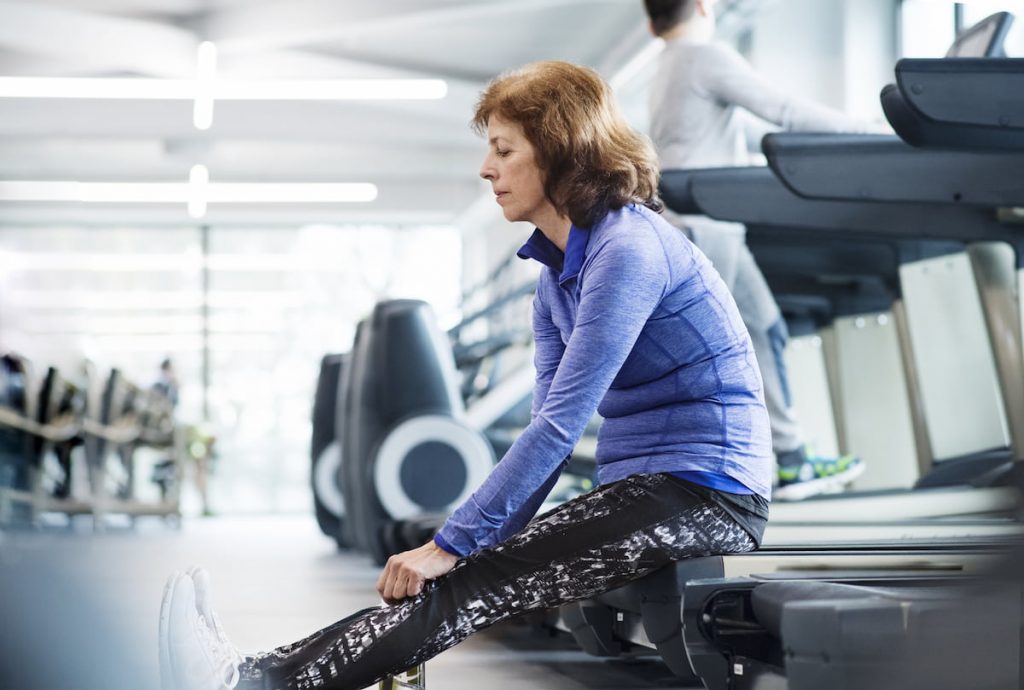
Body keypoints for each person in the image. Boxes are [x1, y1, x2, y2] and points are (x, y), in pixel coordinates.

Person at [159, 60, 772, 690]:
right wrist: (470, 541)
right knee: (470, 568)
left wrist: (453, 544)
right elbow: (545, 428)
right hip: (646, 487)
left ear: (561, 153)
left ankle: (256, 681)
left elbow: (561, 428)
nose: (487, 169)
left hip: (708, 493)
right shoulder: (555, 278)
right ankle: (255, 673)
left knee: (470, 574)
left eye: (505, 150)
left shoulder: (630, 250)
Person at [643, 0, 868, 500]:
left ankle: (789, 458)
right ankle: (730, 467)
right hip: (707, 226)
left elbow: (739, 131)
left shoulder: (667, 65)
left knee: (764, 330)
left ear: (650, 21)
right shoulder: (703, 56)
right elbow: (784, 111)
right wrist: (877, 130)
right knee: (721, 353)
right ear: (703, 6)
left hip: (705, 224)